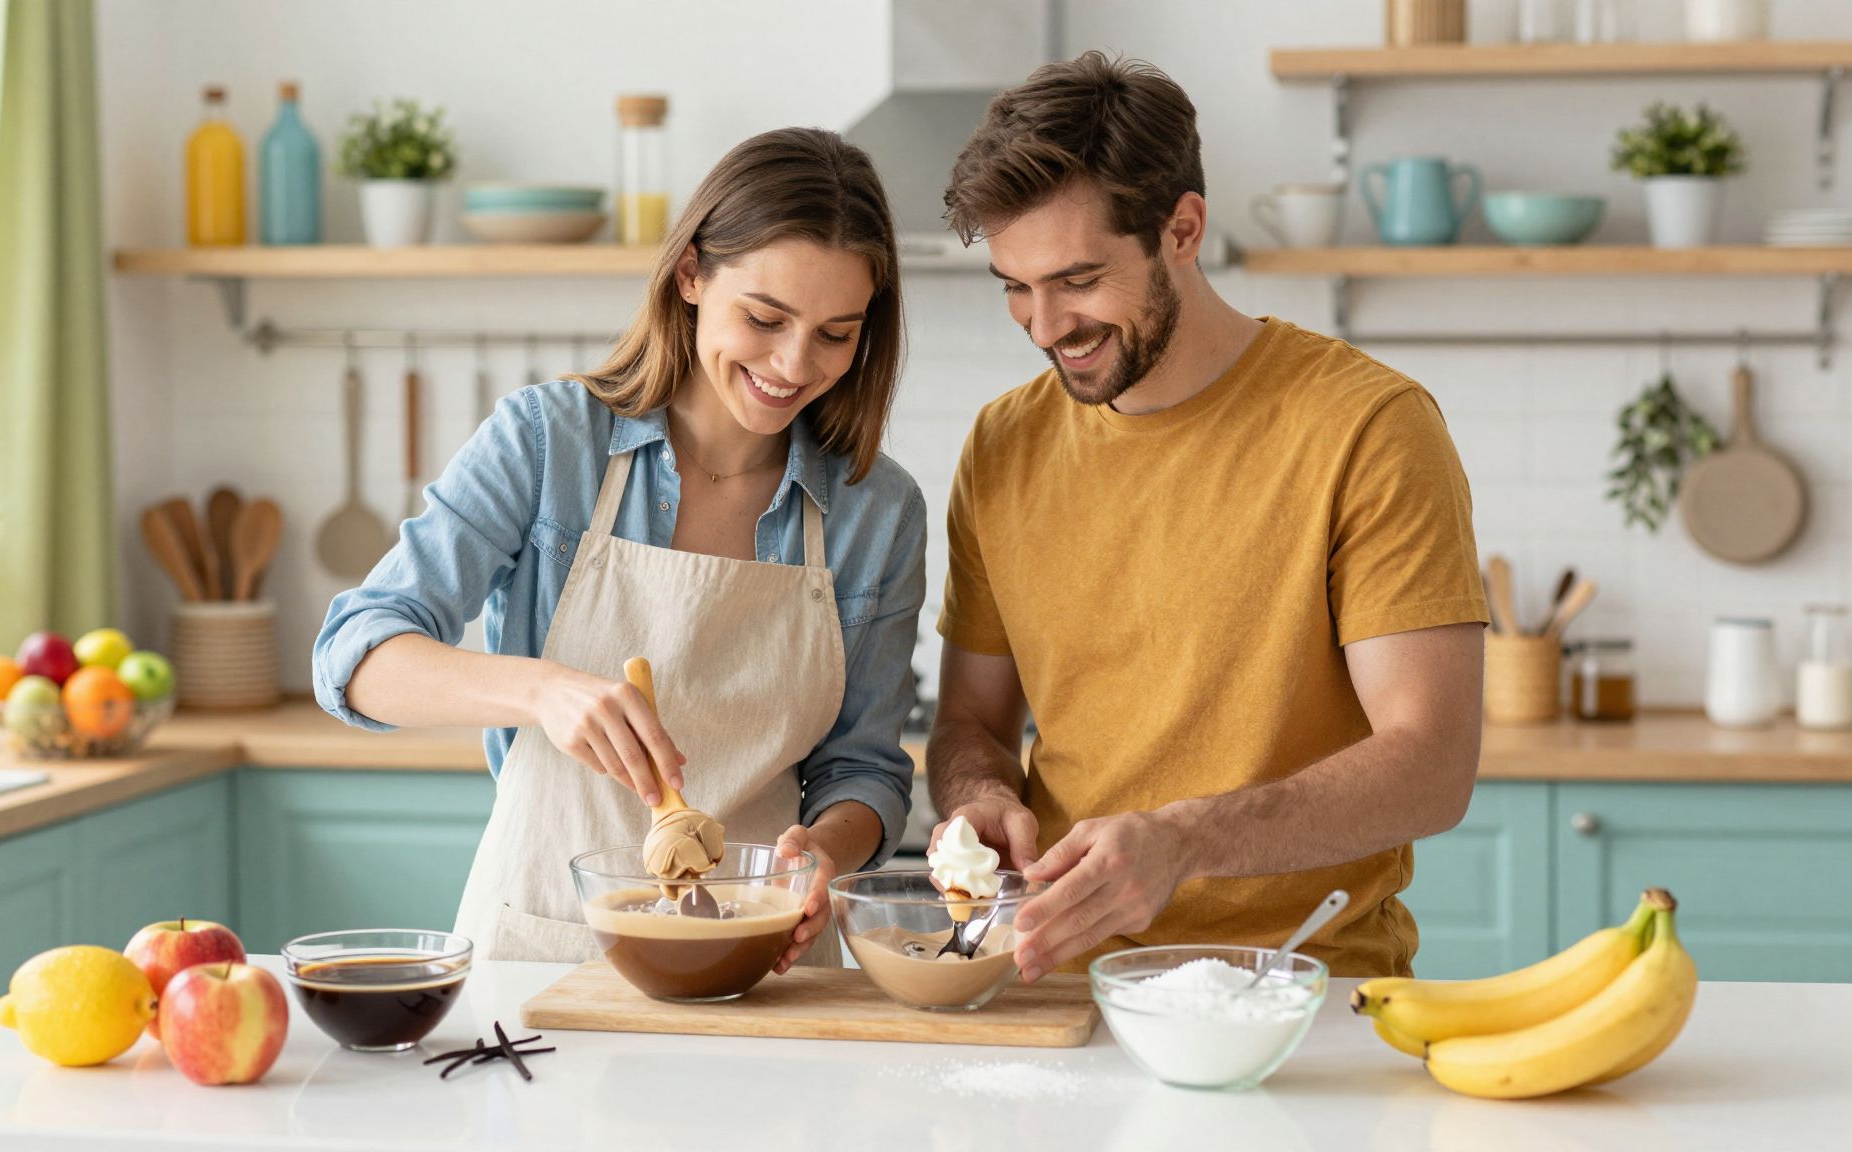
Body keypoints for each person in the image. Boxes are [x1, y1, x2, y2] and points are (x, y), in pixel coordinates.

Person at [927, 53, 1488, 982]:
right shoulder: (1003, 444)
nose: (1045, 325)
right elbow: (969, 718)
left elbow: (1431, 764)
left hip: (1302, 988)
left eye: (1077, 280)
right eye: (1015, 287)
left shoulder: (1367, 426)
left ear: (1181, 229)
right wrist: (978, 794)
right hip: (1056, 986)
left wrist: (1183, 841)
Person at [314, 127, 927, 972]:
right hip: (544, 941)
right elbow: (353, 657)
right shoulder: (548, 443)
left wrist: (825, 852)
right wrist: (542, 691)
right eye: (764, 318)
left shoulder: (876, 510)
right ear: (690, 275)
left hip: (763, 950)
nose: (793, 364)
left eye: (836, 333)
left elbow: (865, 770)